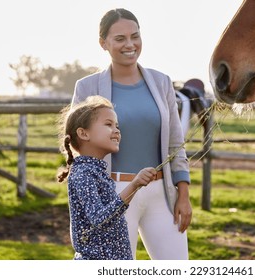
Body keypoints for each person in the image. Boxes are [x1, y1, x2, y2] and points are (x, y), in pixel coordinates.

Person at [71, 8, 192, 259]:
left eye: (135, 36)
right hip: (113, 193)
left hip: (162, 194)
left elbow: (175, 143)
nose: (130, 44)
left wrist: (183, 193)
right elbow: (77, 144)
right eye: (120, 39)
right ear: (103, 43)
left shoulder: (162, 82)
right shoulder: (87, 87)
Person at [57, 95, 157, 260]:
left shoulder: (97, 171)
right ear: (83, 133)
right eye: (108, 124)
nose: (117, 130)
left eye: (117, 126)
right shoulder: (83, 174)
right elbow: (99, 218)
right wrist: (134, 185)